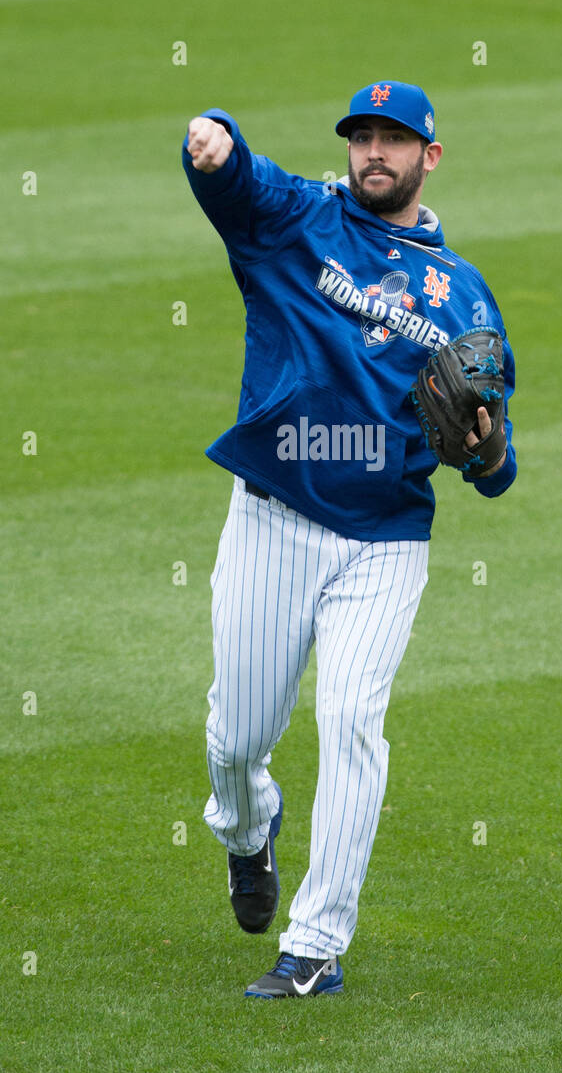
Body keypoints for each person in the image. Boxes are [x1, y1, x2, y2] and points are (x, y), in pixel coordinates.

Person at [182, 81, 517, 998]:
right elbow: (238, 185)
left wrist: (488, 451)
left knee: (351, 720)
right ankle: (248, 830)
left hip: (385, 541)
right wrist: (214, 143)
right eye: (362, 137)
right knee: (236, 734)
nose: (374, 152)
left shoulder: (465, 297)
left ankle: (316, 946)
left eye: (394, 140)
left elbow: (494, 457)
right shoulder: (298, 222)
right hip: (274, 517)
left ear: (428, 158)